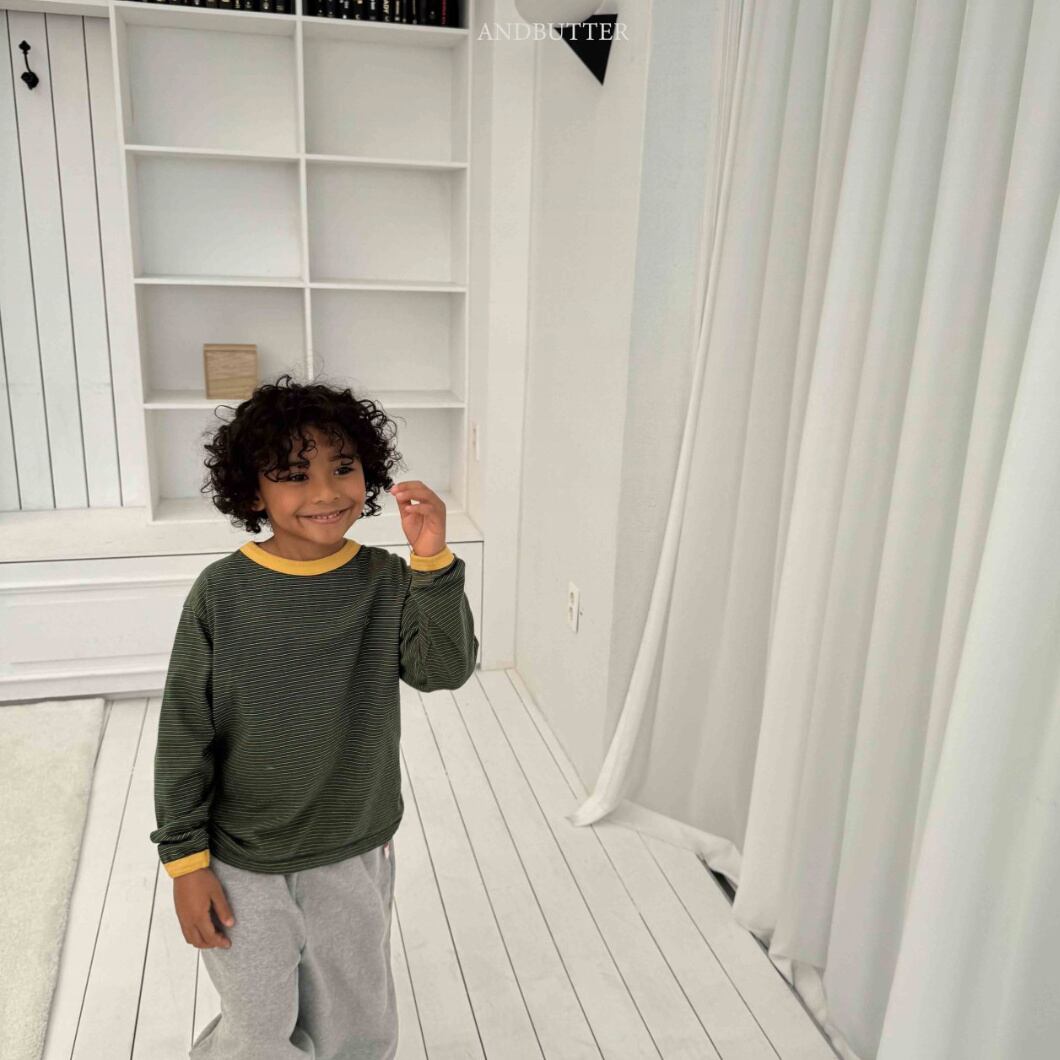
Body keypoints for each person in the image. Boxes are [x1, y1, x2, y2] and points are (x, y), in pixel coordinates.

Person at [149, 373, 479, 1059]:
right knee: (257, 1029)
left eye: (343, 467)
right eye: (294, 475)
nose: (326, 493)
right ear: (253, 492)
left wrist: (431, 561)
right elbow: (185, 734)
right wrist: (185, 864)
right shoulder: (221, 593)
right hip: (242, 859)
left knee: (356, 1025)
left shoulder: (386, 580)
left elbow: (443, 669)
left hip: (353, 848)